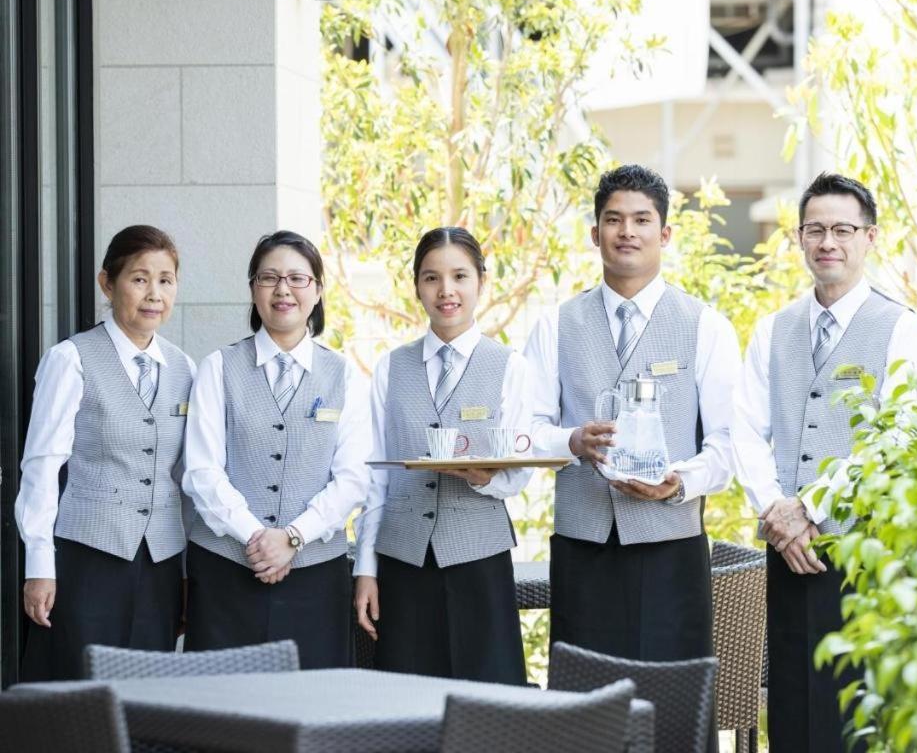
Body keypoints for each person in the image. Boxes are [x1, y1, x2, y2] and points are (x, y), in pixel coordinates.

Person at [525, 165, 739, 736]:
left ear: (664, 234)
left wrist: (680, 482)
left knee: (674, 714)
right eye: (613, 220)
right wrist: (571, 441)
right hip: (584, 548)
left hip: (671, 551)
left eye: (642, 220)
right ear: (594, 233)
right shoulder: (554, 325)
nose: (627, 232)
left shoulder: (705, 326)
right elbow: (525, 431)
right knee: (584, 715)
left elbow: (727, 444)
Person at [731, 172, 917, 753]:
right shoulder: (772, 330)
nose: (828, 242)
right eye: (815, 230)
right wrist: (778, 514)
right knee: (792, 705)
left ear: (869, 237)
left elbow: (901, 435)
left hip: (866, 554)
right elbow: (746, 430)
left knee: (857, 712)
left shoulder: (902, 328)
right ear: (799, 237)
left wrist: (810, 506)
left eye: (843, 230)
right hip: (787, 551)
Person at [183, 230, 370, 668]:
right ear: (253, 289)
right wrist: (257, 538)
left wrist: (292, 537)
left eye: (297, 278)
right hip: (226, 570)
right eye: (269, 278)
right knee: (219, 700)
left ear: (318, 290)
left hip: (316, 577)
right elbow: (202, 471)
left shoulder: (345, 376)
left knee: (312, 698)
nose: (283, 289)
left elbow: (352, 479)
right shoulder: (217, 367)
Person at [16, 225, 195, 680]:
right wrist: (40, 565)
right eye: (139, 279)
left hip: (160, 565)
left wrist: (187, 573)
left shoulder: (185, 368)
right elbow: (41, 468)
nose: (154, 294)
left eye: (166, 280)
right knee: (79, 689)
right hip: (88, 559)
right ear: (107, 283)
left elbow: (185, 479)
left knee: (147, 692)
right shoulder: (71, 359)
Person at [353, 227, 530, 685]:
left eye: (459, 276)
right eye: (431, 278)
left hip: (480, 562)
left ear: (481, 282)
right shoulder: (391, 367)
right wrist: (366, 569)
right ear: (416, 286)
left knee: (488, 700)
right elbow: (376, 478)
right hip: (403, 563)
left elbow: (519, 473)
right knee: (406, 699)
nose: (446, 290)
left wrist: (482, 476)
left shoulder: (510, 366)